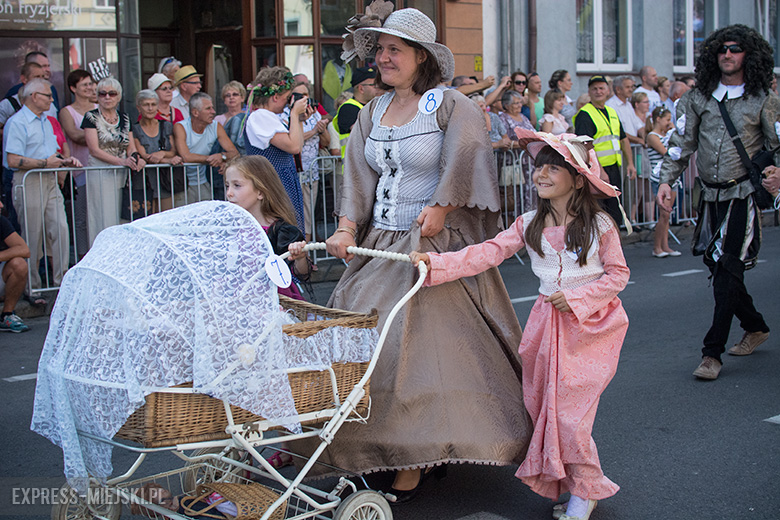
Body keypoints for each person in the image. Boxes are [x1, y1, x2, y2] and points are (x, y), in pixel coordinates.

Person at [319, 6, 530, 501]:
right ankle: (373, 447)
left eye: (395, 50)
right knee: (360, 346)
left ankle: (420, 457)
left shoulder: (451, 105)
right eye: (381, 50)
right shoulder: (371, 111)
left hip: (431, 247)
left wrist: (441, 204)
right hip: (382, 246)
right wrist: (348, 226)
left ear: (421, 57)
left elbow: (468, 153)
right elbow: (357, 175)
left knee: (420, 358)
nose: (384, 58)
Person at [410, 129, 629, 520]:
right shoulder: (529, 222)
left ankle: (586, 492)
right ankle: (574, 486)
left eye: (553, 168)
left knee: (569, 415)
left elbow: (617, 275)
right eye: (539, 167)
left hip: (591, 328)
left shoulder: (600, 226)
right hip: (545, 327)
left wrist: (578, 298)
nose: (541, 174)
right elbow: (487, 253)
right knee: (544, 408)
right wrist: (436, 264)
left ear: (577, 178)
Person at [657, 24, 777, 381]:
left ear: (748, 55)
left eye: (736, 49)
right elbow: (681, 144)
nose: (728, 54)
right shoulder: (697, 98)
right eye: (722, 49)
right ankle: (755, 325)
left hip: (742, 194)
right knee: (717, 267)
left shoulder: (763, 99)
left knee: (727, 268)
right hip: (708, 196)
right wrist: (666, 181)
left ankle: (712, 353)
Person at [3, 78, 80, 289]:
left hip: (49, 179)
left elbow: (50, 153)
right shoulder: (17, 122)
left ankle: (61, 283)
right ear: (34, 96)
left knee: (61, 230)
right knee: (32, 235)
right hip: (28, 180)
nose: (51, 99)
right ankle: (31, 286)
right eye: (48, 95)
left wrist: (64, 161)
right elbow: (12, 160)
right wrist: (46, 162)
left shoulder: (46, 120)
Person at [225, 155, 310, 300]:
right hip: (239, 300)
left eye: (237, 185)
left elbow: (302, 274)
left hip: (275, 301)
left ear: (260, 192)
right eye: (227, 186)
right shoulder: (230, 228)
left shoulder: (281, 231)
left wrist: (300, 257)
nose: (229, 193)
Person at [243, 67, 310, 231]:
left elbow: (298, 145)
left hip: (282, 178)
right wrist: (294, 114)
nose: (289, 102)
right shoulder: (260, 116)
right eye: (287, 97)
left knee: (291, 226)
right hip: (273, 181)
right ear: (275, 97)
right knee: (282, 228)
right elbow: (293, 146)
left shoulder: (269, 117)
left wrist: (299, 119)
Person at [82, 77, 145, 245]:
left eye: (112, 93)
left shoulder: (124, 118)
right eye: (102, 94)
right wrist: (121, 162)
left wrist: (135, 157)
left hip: (121, 174)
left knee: (122, 216)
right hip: (100, 172)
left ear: (119, 97)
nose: (107, 97)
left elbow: (130, 147)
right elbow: (94, 150)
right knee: (102, 216)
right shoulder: (91, 117)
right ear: (97, 97)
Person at [574, 75, 637, 225]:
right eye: (594, 89)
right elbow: (586, 145)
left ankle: (612, 245)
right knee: (600, 213)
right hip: (597, 170)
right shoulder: (585, 114)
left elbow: (622, 138)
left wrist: (630, 163)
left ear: (608, 91)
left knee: (614, 210)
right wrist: (600, 171)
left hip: (614, 167)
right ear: (589, 91)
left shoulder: (612, 111)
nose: (598, 91)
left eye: (601, 88)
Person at [58, 69, 97, 259]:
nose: (90, 88)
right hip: (81, 169)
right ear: (73, 88)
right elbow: (74, 135)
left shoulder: (99, 106)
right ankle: (83, 256)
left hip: (102, 168)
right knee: (82, 218)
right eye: (85, 85)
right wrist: (98, 134)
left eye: (91, 83)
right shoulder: (67, 111)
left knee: (100, 213)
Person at [174, 92, 238, 203]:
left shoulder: (215, 126)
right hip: (182, 183)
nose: (213, 112)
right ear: (195, 112)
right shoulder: (180, 127)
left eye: (212, 108)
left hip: (204, 182)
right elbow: (186, 156)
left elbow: (234, 153)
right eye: (208, 109)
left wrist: (221, 157)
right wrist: (212, 159)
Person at [286, 82, 328, 241]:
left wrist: (322, 130)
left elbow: (327, 140)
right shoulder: (287, 114)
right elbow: (294, 141)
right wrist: (312, 130)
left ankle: (309, 256)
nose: (303, 99)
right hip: (296, 171)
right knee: (299, 215)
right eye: (298, 95)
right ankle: (304, 255)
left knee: (309, 213)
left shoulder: (315, 113)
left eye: (306, 95)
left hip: (312, 172)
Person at [132, 89, 183, 211]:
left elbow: (173, 151)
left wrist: (162, 153)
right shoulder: (135, 129)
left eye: (153, 104)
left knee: (166, 218)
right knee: (145, 219)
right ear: (139, 108)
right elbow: (145, 156)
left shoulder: (166, 125)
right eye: (146, 105)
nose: (150, 108)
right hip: (144, 181)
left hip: (164, 181)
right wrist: (168, 161)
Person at [645, 106, 679, 258]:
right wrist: (673, 133)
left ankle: (665, 246)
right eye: (667, 120)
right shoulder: (652, 136)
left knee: (668, 215)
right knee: (663, 214)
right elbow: (668, 153)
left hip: (672, 177)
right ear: (658, 119)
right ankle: (657, 247)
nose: (669, 123)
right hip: (659, 177)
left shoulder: (668, 135)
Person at [332, 66, 379, 158]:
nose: (377, 88)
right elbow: (366, 134)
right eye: (373, 85)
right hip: (354, 168)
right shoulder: (348, 108)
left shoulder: (371, 106)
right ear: (361, 88)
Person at [0, 199, 31, 332]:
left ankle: (7, 315)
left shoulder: (1, 222)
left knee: (19, 264)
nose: (1, 205)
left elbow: (24, 249)